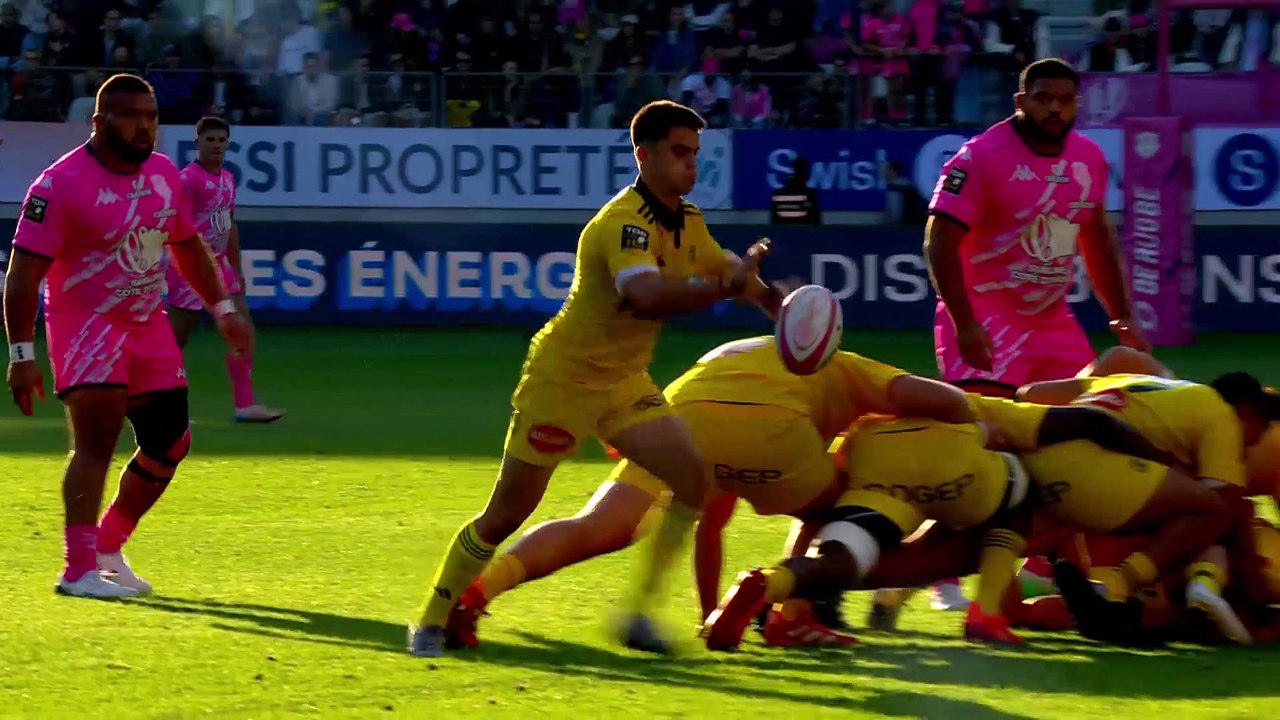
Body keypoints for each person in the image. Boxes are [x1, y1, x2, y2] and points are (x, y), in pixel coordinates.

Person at [408, 101, 789, 658]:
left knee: (691, 480)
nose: (691, 166)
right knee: (505, 516)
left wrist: (786, 311)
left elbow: (736, 275)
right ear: (644, 154)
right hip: (564, 382)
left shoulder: (689, 221)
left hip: (623, 381)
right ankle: (431, 619)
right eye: (680, 153)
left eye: (695, 155)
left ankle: (638, 613)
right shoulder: (623, 225)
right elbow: (648, 295)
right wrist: (725, 289)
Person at [440, 335, 981, 650]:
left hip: (678, 413)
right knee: (839, 503)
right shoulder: (843, 364)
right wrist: (977, 426)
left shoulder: (737, 355)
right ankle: (791, 613)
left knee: (598, 527)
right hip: (770, 432)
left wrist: (710, 614)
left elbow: (710, 524)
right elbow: (938, 398)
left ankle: (472, 593)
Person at [3, 74, 253, 599]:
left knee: (171, 442)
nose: (145, 127)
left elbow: (186, 246)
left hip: (147, 325)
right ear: (99, 122)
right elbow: (22, 274)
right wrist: (22, 353)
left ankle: (108, 545)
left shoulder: (164, 175)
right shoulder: (59, 185)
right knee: (96, 444)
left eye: (152, 117)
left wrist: (223, 308)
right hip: (85, 329)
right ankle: (77, 570)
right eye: (131, 116)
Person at [923, 57, 1152, 608]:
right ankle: (937, 573)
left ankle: (1038, 563)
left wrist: (1120, 315)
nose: (1055, 109)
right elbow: (939, 241)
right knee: (980, 448)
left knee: (1087, 429)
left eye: (1065, 100)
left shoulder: (1089, 159)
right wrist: (964, 321)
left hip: (1052, 323)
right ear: (1020, 101)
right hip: (985, 318)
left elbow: (1096, 239)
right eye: (1044, 98)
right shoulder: (979, 158)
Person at [700, 393, 1184, 650]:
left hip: (875, 466)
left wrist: (802, 584)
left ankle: (767, 585)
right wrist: (1163, 461)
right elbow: (1093, 423)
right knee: (1018, 484)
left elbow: (819, 511)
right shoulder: (985, 409)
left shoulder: (866, 417)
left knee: (845, 558)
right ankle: (985, 614)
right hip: (959, 475)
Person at [166, 116, 284, 424]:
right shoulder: (188, 180)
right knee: (174, 341)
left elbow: (229, 225)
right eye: (210, 140)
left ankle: (244, 405)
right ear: (197, 144)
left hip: (220, 266)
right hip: (190, 266)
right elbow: (176, 224)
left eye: (221, 140)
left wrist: (236, 266)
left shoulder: (228, 178)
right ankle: (166, 407)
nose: (216, 145)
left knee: (243, 330)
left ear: (228, 144)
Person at [769, 157, 822, 225]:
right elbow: (816, 223)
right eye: (807, 171)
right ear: (806, 173)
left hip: (781, 234)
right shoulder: (810, 194)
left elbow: (773, 222)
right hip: (804, 234)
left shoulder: (777, 194)